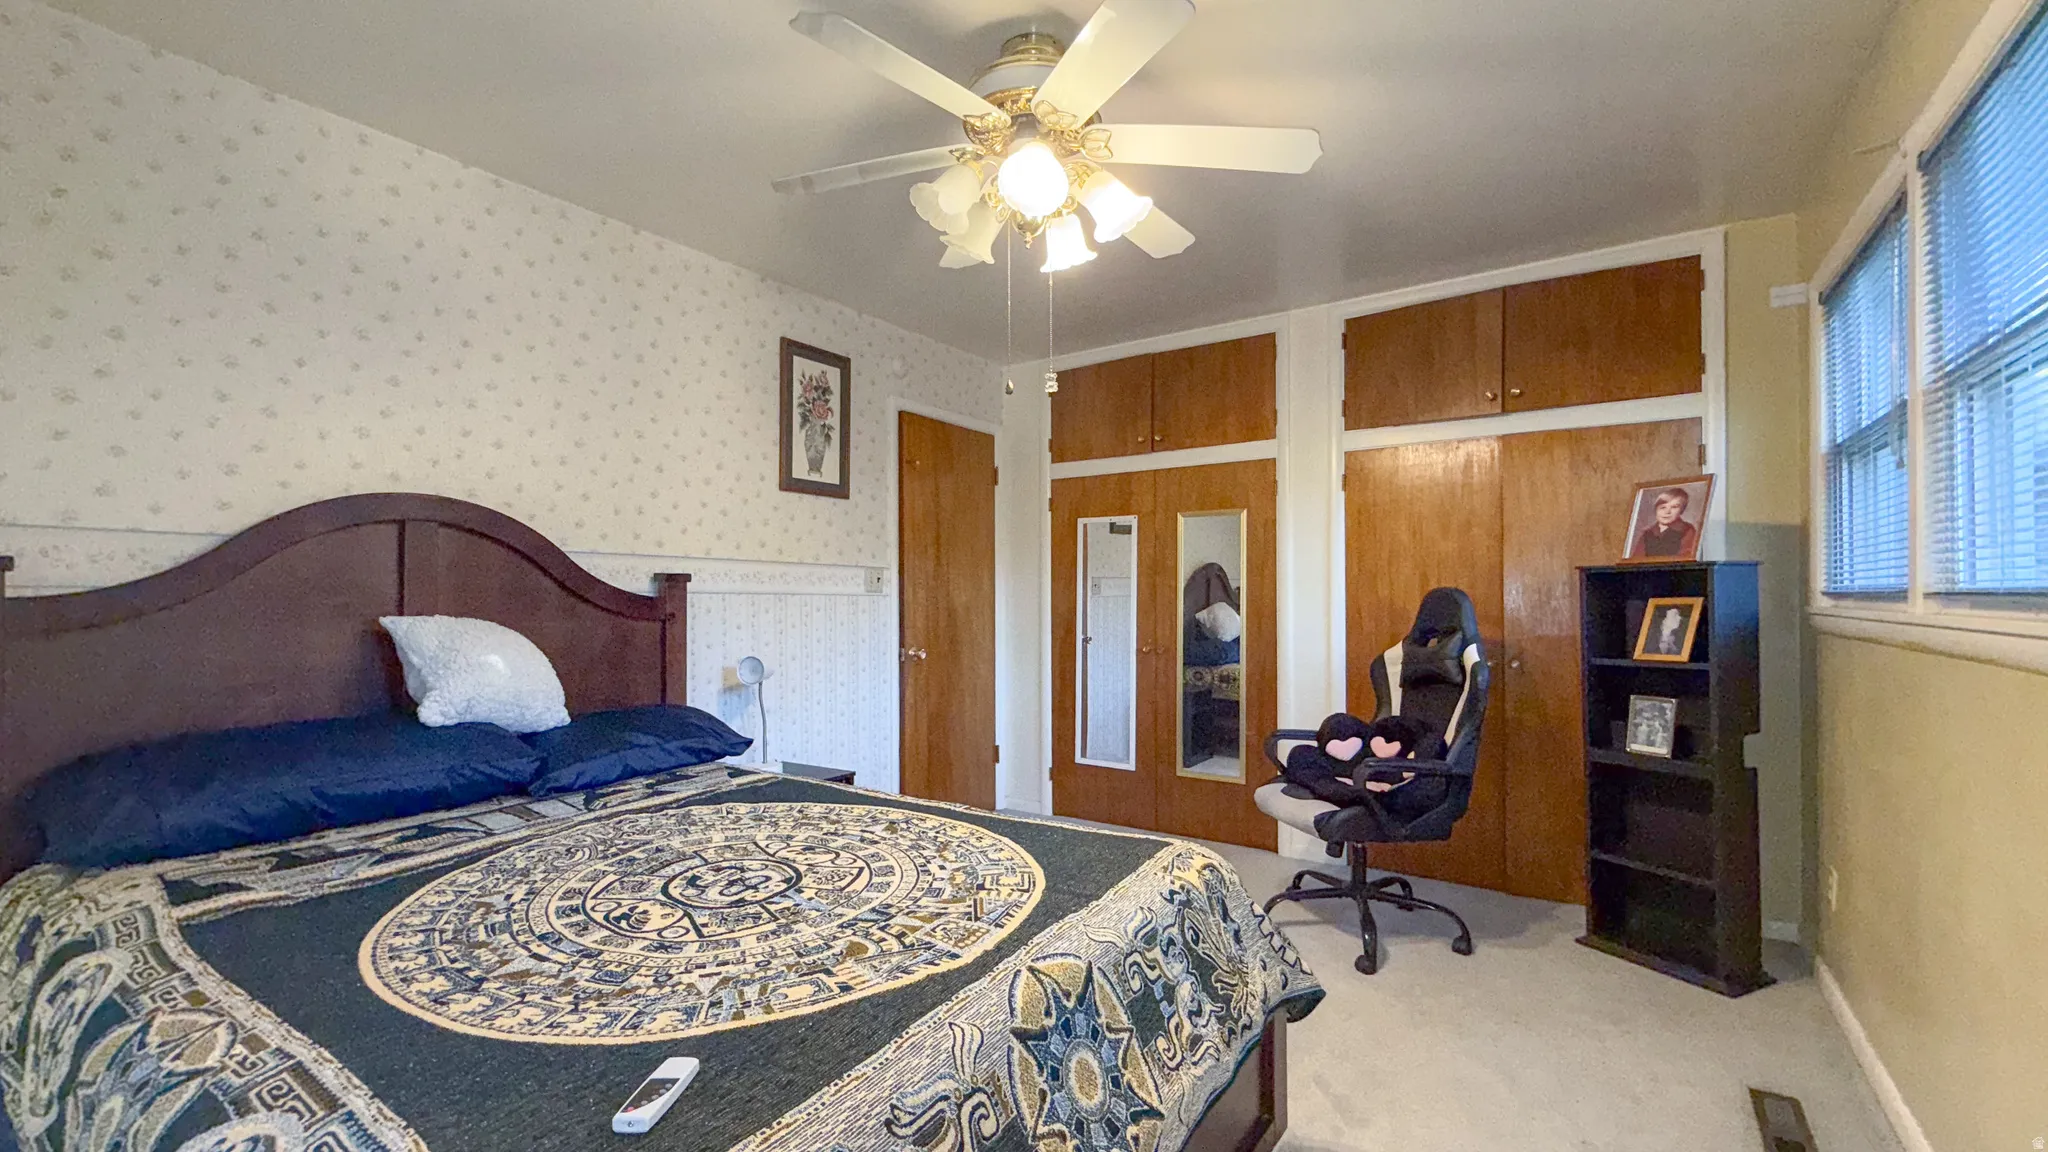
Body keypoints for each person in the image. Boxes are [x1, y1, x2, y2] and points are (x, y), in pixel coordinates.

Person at [1635, 487, 1699, 558]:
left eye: (1674, 507)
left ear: (1681, 510)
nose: (1667, 512)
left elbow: (1686, 558)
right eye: (1663, 507)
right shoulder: (1647, 533)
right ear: (1656, 510)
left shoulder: (1687, 531)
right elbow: (1636, 559)